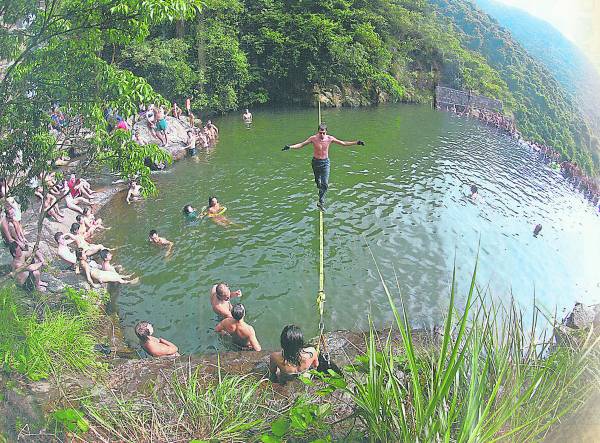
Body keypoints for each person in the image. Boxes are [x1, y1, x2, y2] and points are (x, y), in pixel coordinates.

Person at [283, 123, 364, 210]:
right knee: (318, 182)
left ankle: (321, 202)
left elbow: (343, 143)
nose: (321, 135)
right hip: (316, 162)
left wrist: (356, 142)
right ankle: (319, 188)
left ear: (326, 132)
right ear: (318, 132)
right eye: (320, 133)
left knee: (325, 184)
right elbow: (301, 144)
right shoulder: (313, 138)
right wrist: (290, 147)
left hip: (325, 163)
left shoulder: (330, 138)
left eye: (323, 133)